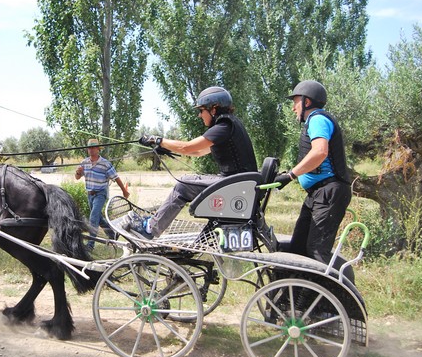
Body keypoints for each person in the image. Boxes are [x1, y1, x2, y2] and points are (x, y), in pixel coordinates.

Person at [131, 86, 257, 239]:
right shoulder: (230, 125)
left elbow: (187, 147)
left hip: (233, 185)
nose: (199, 115)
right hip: (237, 184)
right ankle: (153, 223)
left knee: (182, 186)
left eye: (201, 110)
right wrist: (166, 148)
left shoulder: (223, 127)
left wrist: (158, 140)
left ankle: (150, 228)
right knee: (188, 180)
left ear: (214, 109)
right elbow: (197, 152)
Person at [274, 80, 352, 267]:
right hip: (318, 194)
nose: (293, 108)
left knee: (317, 252)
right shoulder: (314, 120)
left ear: (306, 102)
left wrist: (290, 175)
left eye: (295, 102)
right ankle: (295, 294)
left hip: (329, 193)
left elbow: (320, 152)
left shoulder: (317, 119)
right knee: (298, 248)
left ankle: (328, 295)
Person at [75, 138, 131, 249]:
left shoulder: (105, 164)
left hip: (101, 193)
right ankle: (112, 234)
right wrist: (78, 172)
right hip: (89, 194)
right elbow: (77, 177)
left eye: (93, 148)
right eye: (89, 148)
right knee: (98, 218)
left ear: (98, 149)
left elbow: (116, 177)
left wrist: (124, 191)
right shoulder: (84, 163)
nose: (91, 150)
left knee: (93, 217)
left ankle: (90, 244)